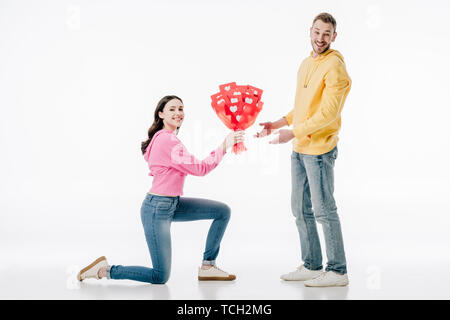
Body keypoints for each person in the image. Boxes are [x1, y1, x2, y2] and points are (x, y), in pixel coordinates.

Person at [77, 95, 244, 284]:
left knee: (222, 211)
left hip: (172, 203)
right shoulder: (167, 141)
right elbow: (200, 169)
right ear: (161, 114)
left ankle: (208, 266)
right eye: (172, 109)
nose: (178, 113)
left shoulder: (162, 138)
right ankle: (104, 270)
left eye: (180, 109)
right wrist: (224, 146)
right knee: (160, 276)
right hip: (157, 209)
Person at [255, 13, 351, 287]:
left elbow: (328, 115)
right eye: (317, 32)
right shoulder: (306, 63)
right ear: (310, 31)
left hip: (319, 149)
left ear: (334, 37)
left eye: (326, 34)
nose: (320, 39)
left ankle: (338, 270)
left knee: (324, 210)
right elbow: (305, 106)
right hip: (300, 146)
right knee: (300, 208)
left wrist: (292, 132)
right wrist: (278, 123)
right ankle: (311, 264)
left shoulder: (335, 67)